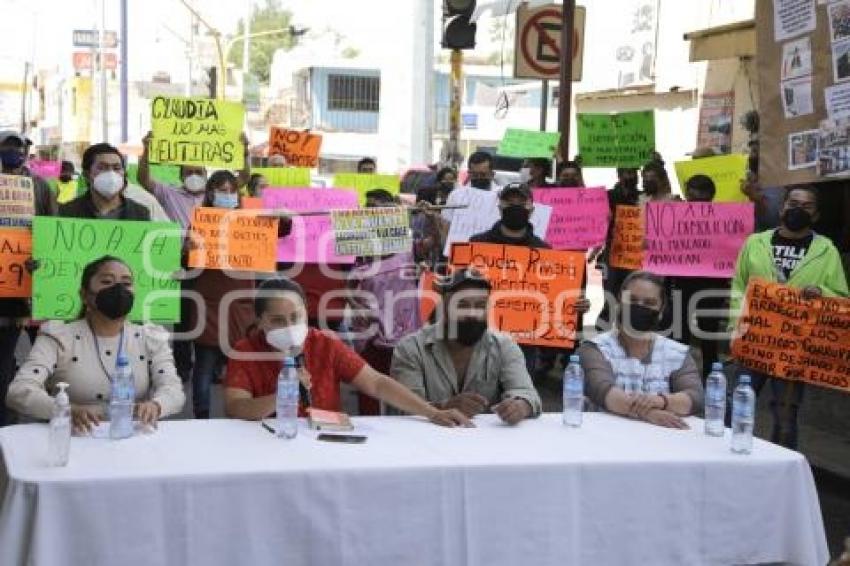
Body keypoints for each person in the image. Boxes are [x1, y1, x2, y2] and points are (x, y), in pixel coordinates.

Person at [223, 278, 471, 427]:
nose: (289, 327)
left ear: (306, 311)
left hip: (323, 441)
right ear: (259, 320)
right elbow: (236, 407)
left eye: (295, 317)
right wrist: (283, 395)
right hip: (265, 447)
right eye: (277, 321)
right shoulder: (246, 351)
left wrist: (432, 412)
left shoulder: (324, 344)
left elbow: (376, 383)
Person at [5, 256, 185, 432]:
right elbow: (19, 391)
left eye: (126, 283)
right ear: (84, 295)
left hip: (130, 438)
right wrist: (66, 410)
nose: (118, 289)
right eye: (107, 281)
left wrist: (157, 405)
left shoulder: (150, 337)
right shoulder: (58, 336)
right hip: (71, 441)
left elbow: (174, 390)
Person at [729, 185, 848, 449]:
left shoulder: (826, 251)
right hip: (753, 341)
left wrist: (822, 292)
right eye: (793, 203)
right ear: (782, 208)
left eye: (806, 207)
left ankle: (781, 471)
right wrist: (736, 327)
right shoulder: (755, 242)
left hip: (793, 349)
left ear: (815, 215)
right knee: (736, 406)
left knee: (786, 417)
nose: (798, 210)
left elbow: (840, 297)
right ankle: (725, 459)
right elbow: (739, 286)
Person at [390, 269, 542, 424]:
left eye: (480, 305)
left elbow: (527, 394)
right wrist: (442, 408)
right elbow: (403, 408)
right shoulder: (411, 349)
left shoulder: (504, 346)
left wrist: (520, 406)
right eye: (462, 305)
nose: (472, 313)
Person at [578, 271, 705, 429]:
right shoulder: (594, 348)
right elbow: (603, 391)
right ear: (619, 302)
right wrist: (648, 414)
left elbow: (695, 397)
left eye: (649, 303)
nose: (639, 307)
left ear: (661, 310)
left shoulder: (677, 353)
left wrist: (660, 401)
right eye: (632, 300)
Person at [186, 170, 257, 418]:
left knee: (240, 363)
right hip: (208, 302)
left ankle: (240, 411)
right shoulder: (199, 223)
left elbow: (281, 230)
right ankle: (201, 416)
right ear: (210, 194)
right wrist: (188, 249)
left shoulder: (252, 221)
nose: (228, 195)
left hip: (240, 303)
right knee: (204, 365)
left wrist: (283, 218)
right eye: (222, 191)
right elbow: (186, 262)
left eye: (231, 191)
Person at [0, 131, 57, 427]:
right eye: (7, 146)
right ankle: (6, 424)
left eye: (17, 146)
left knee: (48, 356)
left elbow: (53, 227)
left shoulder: (41, 187)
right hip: (5, 288)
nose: (13, 151)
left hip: (37, 281)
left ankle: (52, 414)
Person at [671, 174, 730, 377]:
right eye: (692, 199)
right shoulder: (676, 215)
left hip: (713, 284)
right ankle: (679, 375)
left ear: (711, 196)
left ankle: (710, 377)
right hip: (682, 283)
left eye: (701, 199)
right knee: (680, 333)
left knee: (709, 334)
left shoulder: (724, 218)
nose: (696, 204)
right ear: (687, 195)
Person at [59, 143, 150, 220]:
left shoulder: (140, 214)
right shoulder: (67, 212)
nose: (111, 173)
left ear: (124, 173)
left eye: (116, 168)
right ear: (87, 174)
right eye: (102, 168)